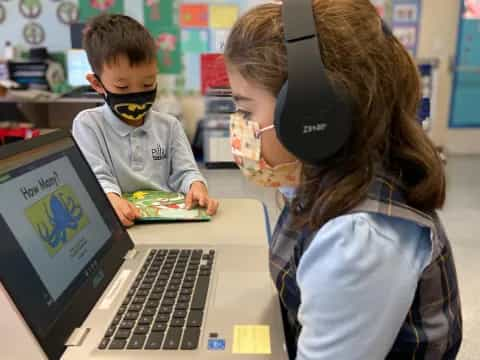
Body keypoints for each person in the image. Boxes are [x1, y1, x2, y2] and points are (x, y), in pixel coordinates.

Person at [225, 0, 462, 359]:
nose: (240, 126)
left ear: (309, 116)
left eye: (245, 109)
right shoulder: (331, 172)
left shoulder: (360, 239)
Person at [72, 14, 218, 227]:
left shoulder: (169, 126)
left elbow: (186, 172)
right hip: (119, 226)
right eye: (122, 87)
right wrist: (111, 199)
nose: (136, 95)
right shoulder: (88, 125)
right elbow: (97, 178)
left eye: (148, 84)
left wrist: (196, 187)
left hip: (169, 225)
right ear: (97, 84)